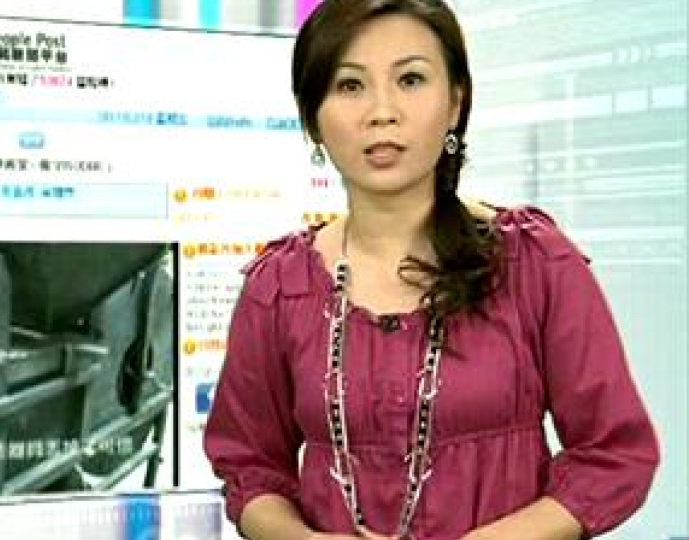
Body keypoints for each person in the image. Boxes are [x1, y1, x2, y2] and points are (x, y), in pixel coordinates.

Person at [201, 1, 660, 539]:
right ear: (313, 118)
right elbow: (250, 468)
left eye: (411, 79)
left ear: (455, 103)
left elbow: (615, 455)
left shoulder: (536, 264)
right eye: (350, 86)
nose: (382, 111)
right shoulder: (279, 288)